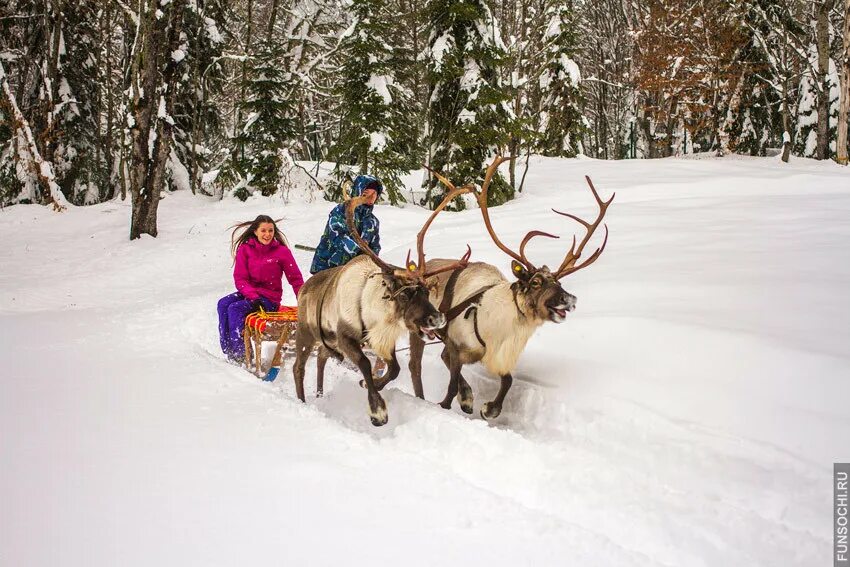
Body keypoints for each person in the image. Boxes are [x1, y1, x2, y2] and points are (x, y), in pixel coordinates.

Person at [217, 215, 304, 370]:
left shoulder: (282, 252)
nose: (267, 234)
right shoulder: (245, 249)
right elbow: (240, 278)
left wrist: (304, 301)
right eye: (263, 230)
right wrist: (252, 295)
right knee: (223, 303)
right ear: (255, 232)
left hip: (269, 299)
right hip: (251, 295)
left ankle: (241, 356)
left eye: (271, 230)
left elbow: (295, 279)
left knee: (234, 309)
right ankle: (229, 349)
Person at [310, 174, 382, 274]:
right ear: (358, 192)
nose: (370, 198)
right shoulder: (341, 211)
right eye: (366, 194)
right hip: (328, 268)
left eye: (374, 194)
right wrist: (358, 251)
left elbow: (375, 247)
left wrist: (370, 260)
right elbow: (337, 235)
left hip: (355, 272)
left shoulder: (373, 222)